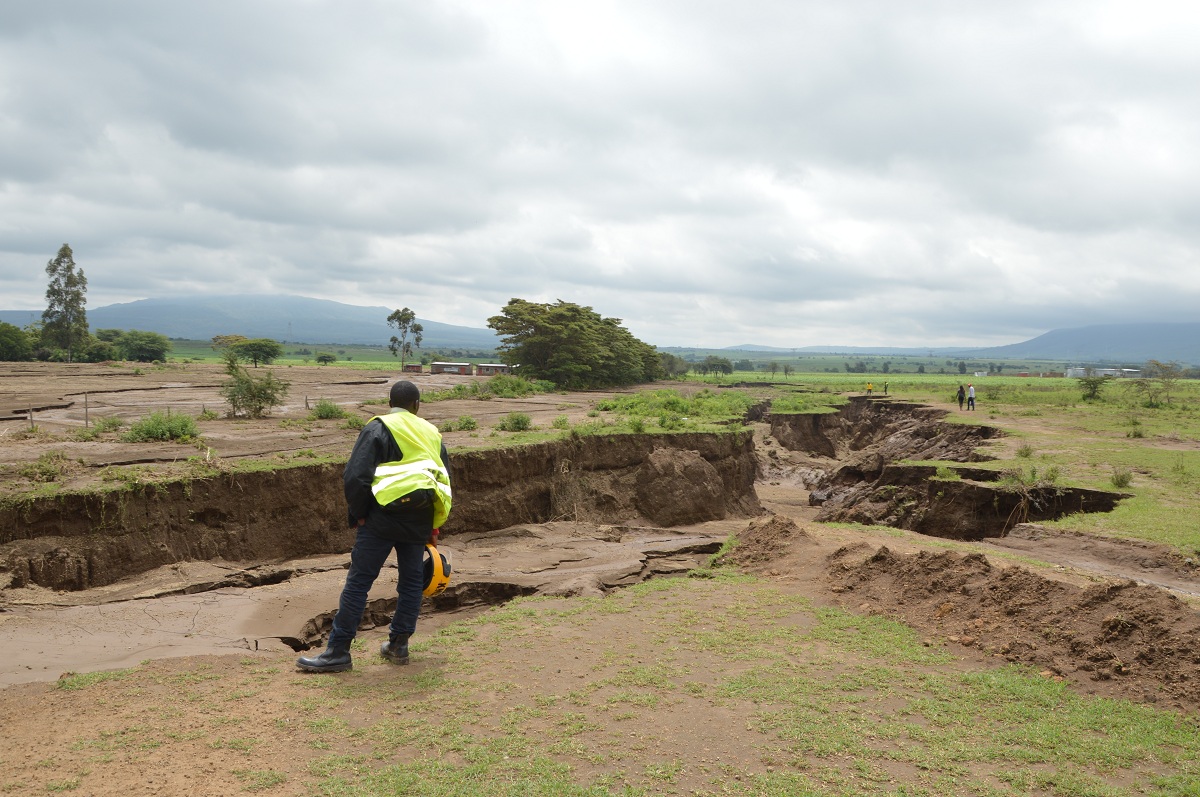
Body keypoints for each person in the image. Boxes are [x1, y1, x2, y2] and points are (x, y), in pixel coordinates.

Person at [297, 380, 452, 673]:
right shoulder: (432, 434)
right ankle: (398, 646)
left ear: (389, 402)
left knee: (359, 583)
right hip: (419, 520)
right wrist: (434, 526)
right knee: (410, 585)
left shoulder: (378, 427)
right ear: (417, 405)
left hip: (380, 519)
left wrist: (360, 514)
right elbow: (444, 481)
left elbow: (356, 476)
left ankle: (338, 652)